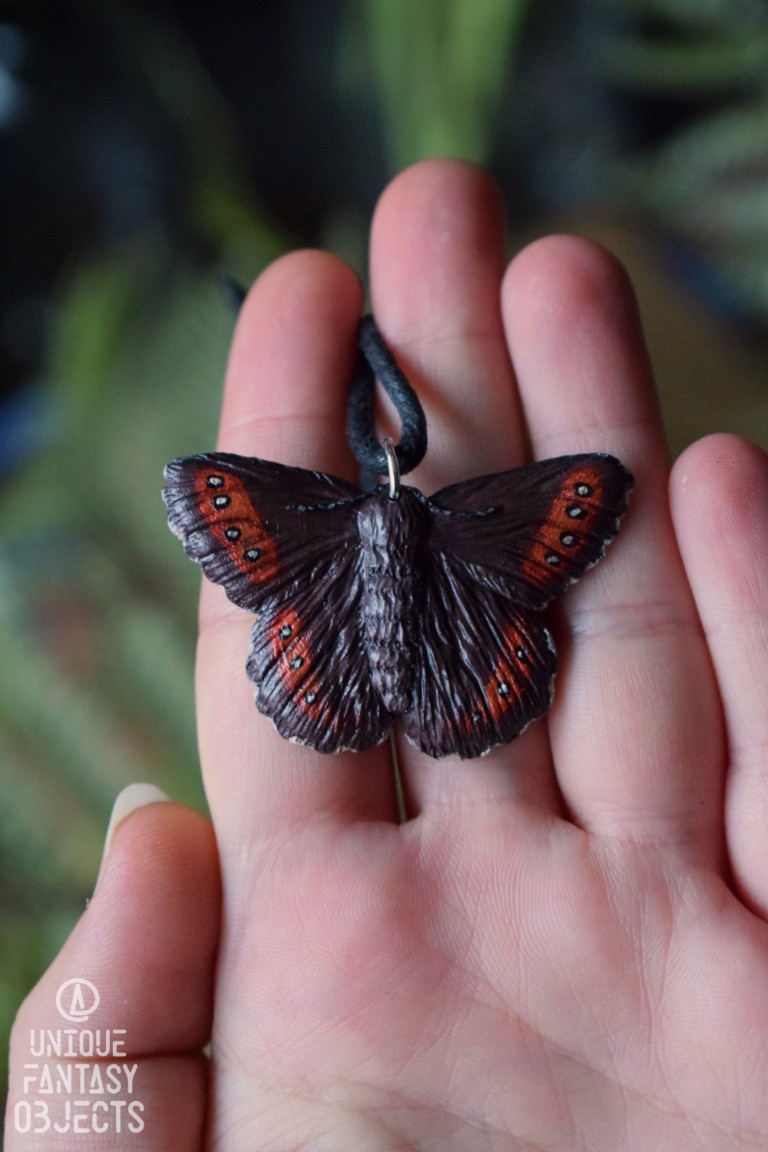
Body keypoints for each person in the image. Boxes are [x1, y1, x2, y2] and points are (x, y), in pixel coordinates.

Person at [6, 159, 768, 1150]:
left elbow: (585, 495)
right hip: (460, 634)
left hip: (338, 622)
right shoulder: (459, 513)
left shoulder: (309, 515)